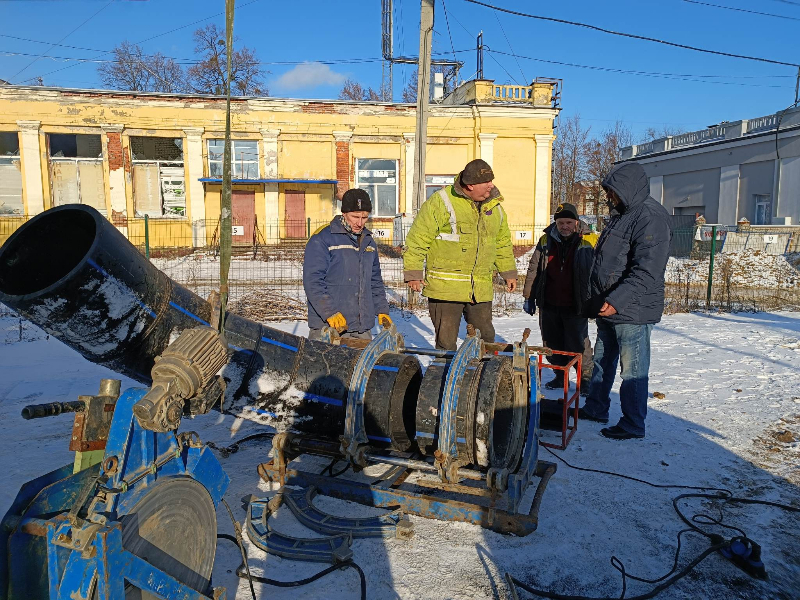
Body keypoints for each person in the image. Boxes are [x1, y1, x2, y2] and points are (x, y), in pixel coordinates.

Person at [579, 162, 672, 440]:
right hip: (610, 305)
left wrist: (617, 300)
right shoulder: (623, 214)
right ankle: (596, 407)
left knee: (632, 370)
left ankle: (633, 423)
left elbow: (647, 269)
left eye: (611, 191)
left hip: (633, 309)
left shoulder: (650, 217)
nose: (608, 196)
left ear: (626, 189)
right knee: (601, 361)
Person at [403, 159, 517, 351]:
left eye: (492, 180)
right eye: (486, 182)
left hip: (479, 288)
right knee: (446, 343)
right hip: (445, 289)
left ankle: (480, 378)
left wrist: (508, 272)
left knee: (486, 339)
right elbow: (418, 238)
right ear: (470, 185)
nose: (492, 185)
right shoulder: (441, 202)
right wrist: (413, 273)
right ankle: (444, 379)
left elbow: (502, 242)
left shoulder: (495, 207)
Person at [522, 202, 596, 393]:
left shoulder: (588, 241)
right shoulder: (546, 240)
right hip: (549, 304)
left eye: (569, 222)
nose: (564, 226)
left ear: (576, 223)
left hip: (576, 305)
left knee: (579, 344)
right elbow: (534, 269)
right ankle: (559, 375)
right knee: (552, 343)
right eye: (561, 222)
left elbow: (597, 273)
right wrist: (529, 296)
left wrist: (596, 299)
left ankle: (585, 378)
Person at [303, 188, 392, 341]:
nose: (360, 222)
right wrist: (329, 312)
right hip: (329, 326)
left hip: (361, 327)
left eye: (364, 217)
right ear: (344, 213)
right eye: (355, 216)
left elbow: (375, 280)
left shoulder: (368, 241)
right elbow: (313, 281)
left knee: (361, 365)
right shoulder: (322, 239)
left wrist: (382, 309)